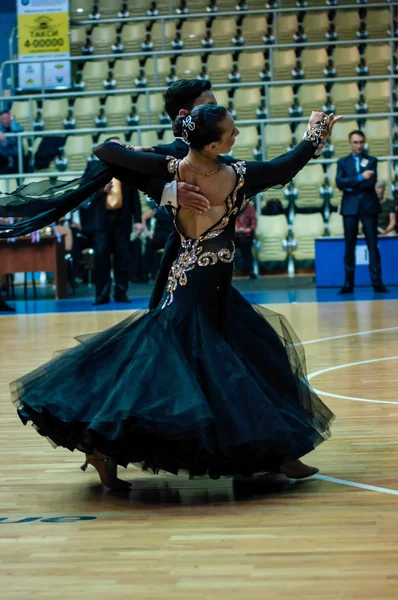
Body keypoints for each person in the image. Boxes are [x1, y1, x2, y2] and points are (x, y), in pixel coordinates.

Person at [5, 106, 339, 491]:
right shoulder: (189, 171)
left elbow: (284, 167)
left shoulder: (197, 169)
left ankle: (271, 456)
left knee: (250, 367)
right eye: (231, 133)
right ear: (212, 144)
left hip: (216, 291)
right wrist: (315, 133)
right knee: (180, 375)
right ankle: (101, 449)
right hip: (191, 286)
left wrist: (315, 135)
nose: (237, 135)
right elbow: (105, 151)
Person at [80, 137, 143, 304]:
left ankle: (121, 292)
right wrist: (100, 189)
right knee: (101, 258)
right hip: (101, 220)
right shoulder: (93, 167)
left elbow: (134, 195)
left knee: (122, 258)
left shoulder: (128, 167)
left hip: (122, 218)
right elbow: (83, 191)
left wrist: (138, 219)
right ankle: (102, 294)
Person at [336, 130, 389, 294]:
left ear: (364, 143)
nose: (359, 145)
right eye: (356, 142)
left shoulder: (372, 160)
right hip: (350, 208)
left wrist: (350, 185)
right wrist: (360, 177)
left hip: (368, 206)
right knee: (349, 246)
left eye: (361, 142)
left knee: (373, 246)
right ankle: (348, 284)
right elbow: (339, 183)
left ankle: (377, 283)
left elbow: (370, 182)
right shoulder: (342, 162)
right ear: (349, 143)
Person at [234, 201, 257, 278]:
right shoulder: (231, 205)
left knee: (245, 242)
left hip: (246, 234)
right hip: (232, 234)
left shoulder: (250, 206)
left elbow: (253, 225)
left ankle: (249, 270)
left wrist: (245, 230)